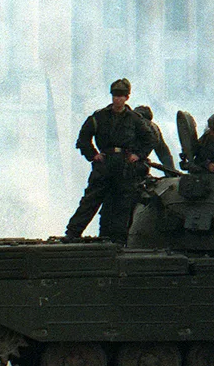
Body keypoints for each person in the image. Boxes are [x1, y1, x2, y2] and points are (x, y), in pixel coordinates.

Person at [65, 78, 153, 243]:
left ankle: (118, 240)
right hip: (104, 163)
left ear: (127, 97)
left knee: (122, 203)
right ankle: (73, 232)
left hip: (124, 165)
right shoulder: (99, 117)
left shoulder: (134, 119)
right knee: (91, 199)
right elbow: (83, 138)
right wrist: (93, 155)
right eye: (115, 95)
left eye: (121, 96)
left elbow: (149, 139)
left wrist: (138, 155)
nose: (117, 99)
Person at [134, 106, 177, 170]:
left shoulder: (131, 123)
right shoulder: (155, 128)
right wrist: (171, 170)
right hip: (140, 166)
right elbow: (164, 153)